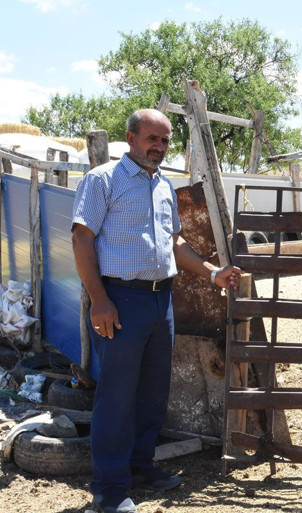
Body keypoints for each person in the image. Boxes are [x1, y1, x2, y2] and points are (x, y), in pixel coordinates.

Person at [71, 108, 241, 513]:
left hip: (159, 300)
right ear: (130, 138)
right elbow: (81, 239)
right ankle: (109, 489)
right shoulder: (102, 181)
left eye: (165, 141)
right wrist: (99, 300)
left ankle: (141, 466)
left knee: (151, 391)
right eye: (152, 138)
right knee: (115, 396)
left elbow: (175, 245)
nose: (159, 147)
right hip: (119, 300)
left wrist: (212, 272)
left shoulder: (164, 185)